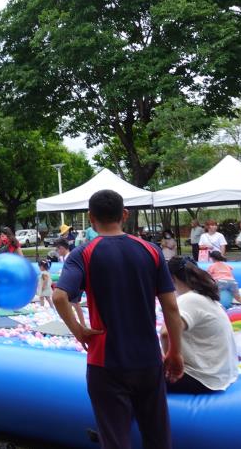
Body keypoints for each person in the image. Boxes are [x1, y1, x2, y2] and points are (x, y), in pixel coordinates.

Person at [53, 190, 183, 449]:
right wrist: (175, 352)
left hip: (106, 362)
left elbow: (59, 297)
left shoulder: (84, 253)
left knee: (115, 440)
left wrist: (79, 331)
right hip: (148, 360)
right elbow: (171, 307)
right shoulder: (151, 250)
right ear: (125, 214)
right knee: (158, 438)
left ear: (91, 218)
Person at [162, 256, 238, 394]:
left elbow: (165, 333)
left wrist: (169, 361)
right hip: (220, 374)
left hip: (202, 378)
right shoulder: (208, 298)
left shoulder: (189, 299)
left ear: (171, 278)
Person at [54, 238, 85, 327]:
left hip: (76, 283)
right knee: (74, 304)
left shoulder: (69, 257)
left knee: (73, 303)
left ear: (62, 248)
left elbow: (73, 271)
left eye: (57, 249)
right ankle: (79, 324)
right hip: (76, 283)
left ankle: (77, 325)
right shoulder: (67, 257)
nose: (57, 252)